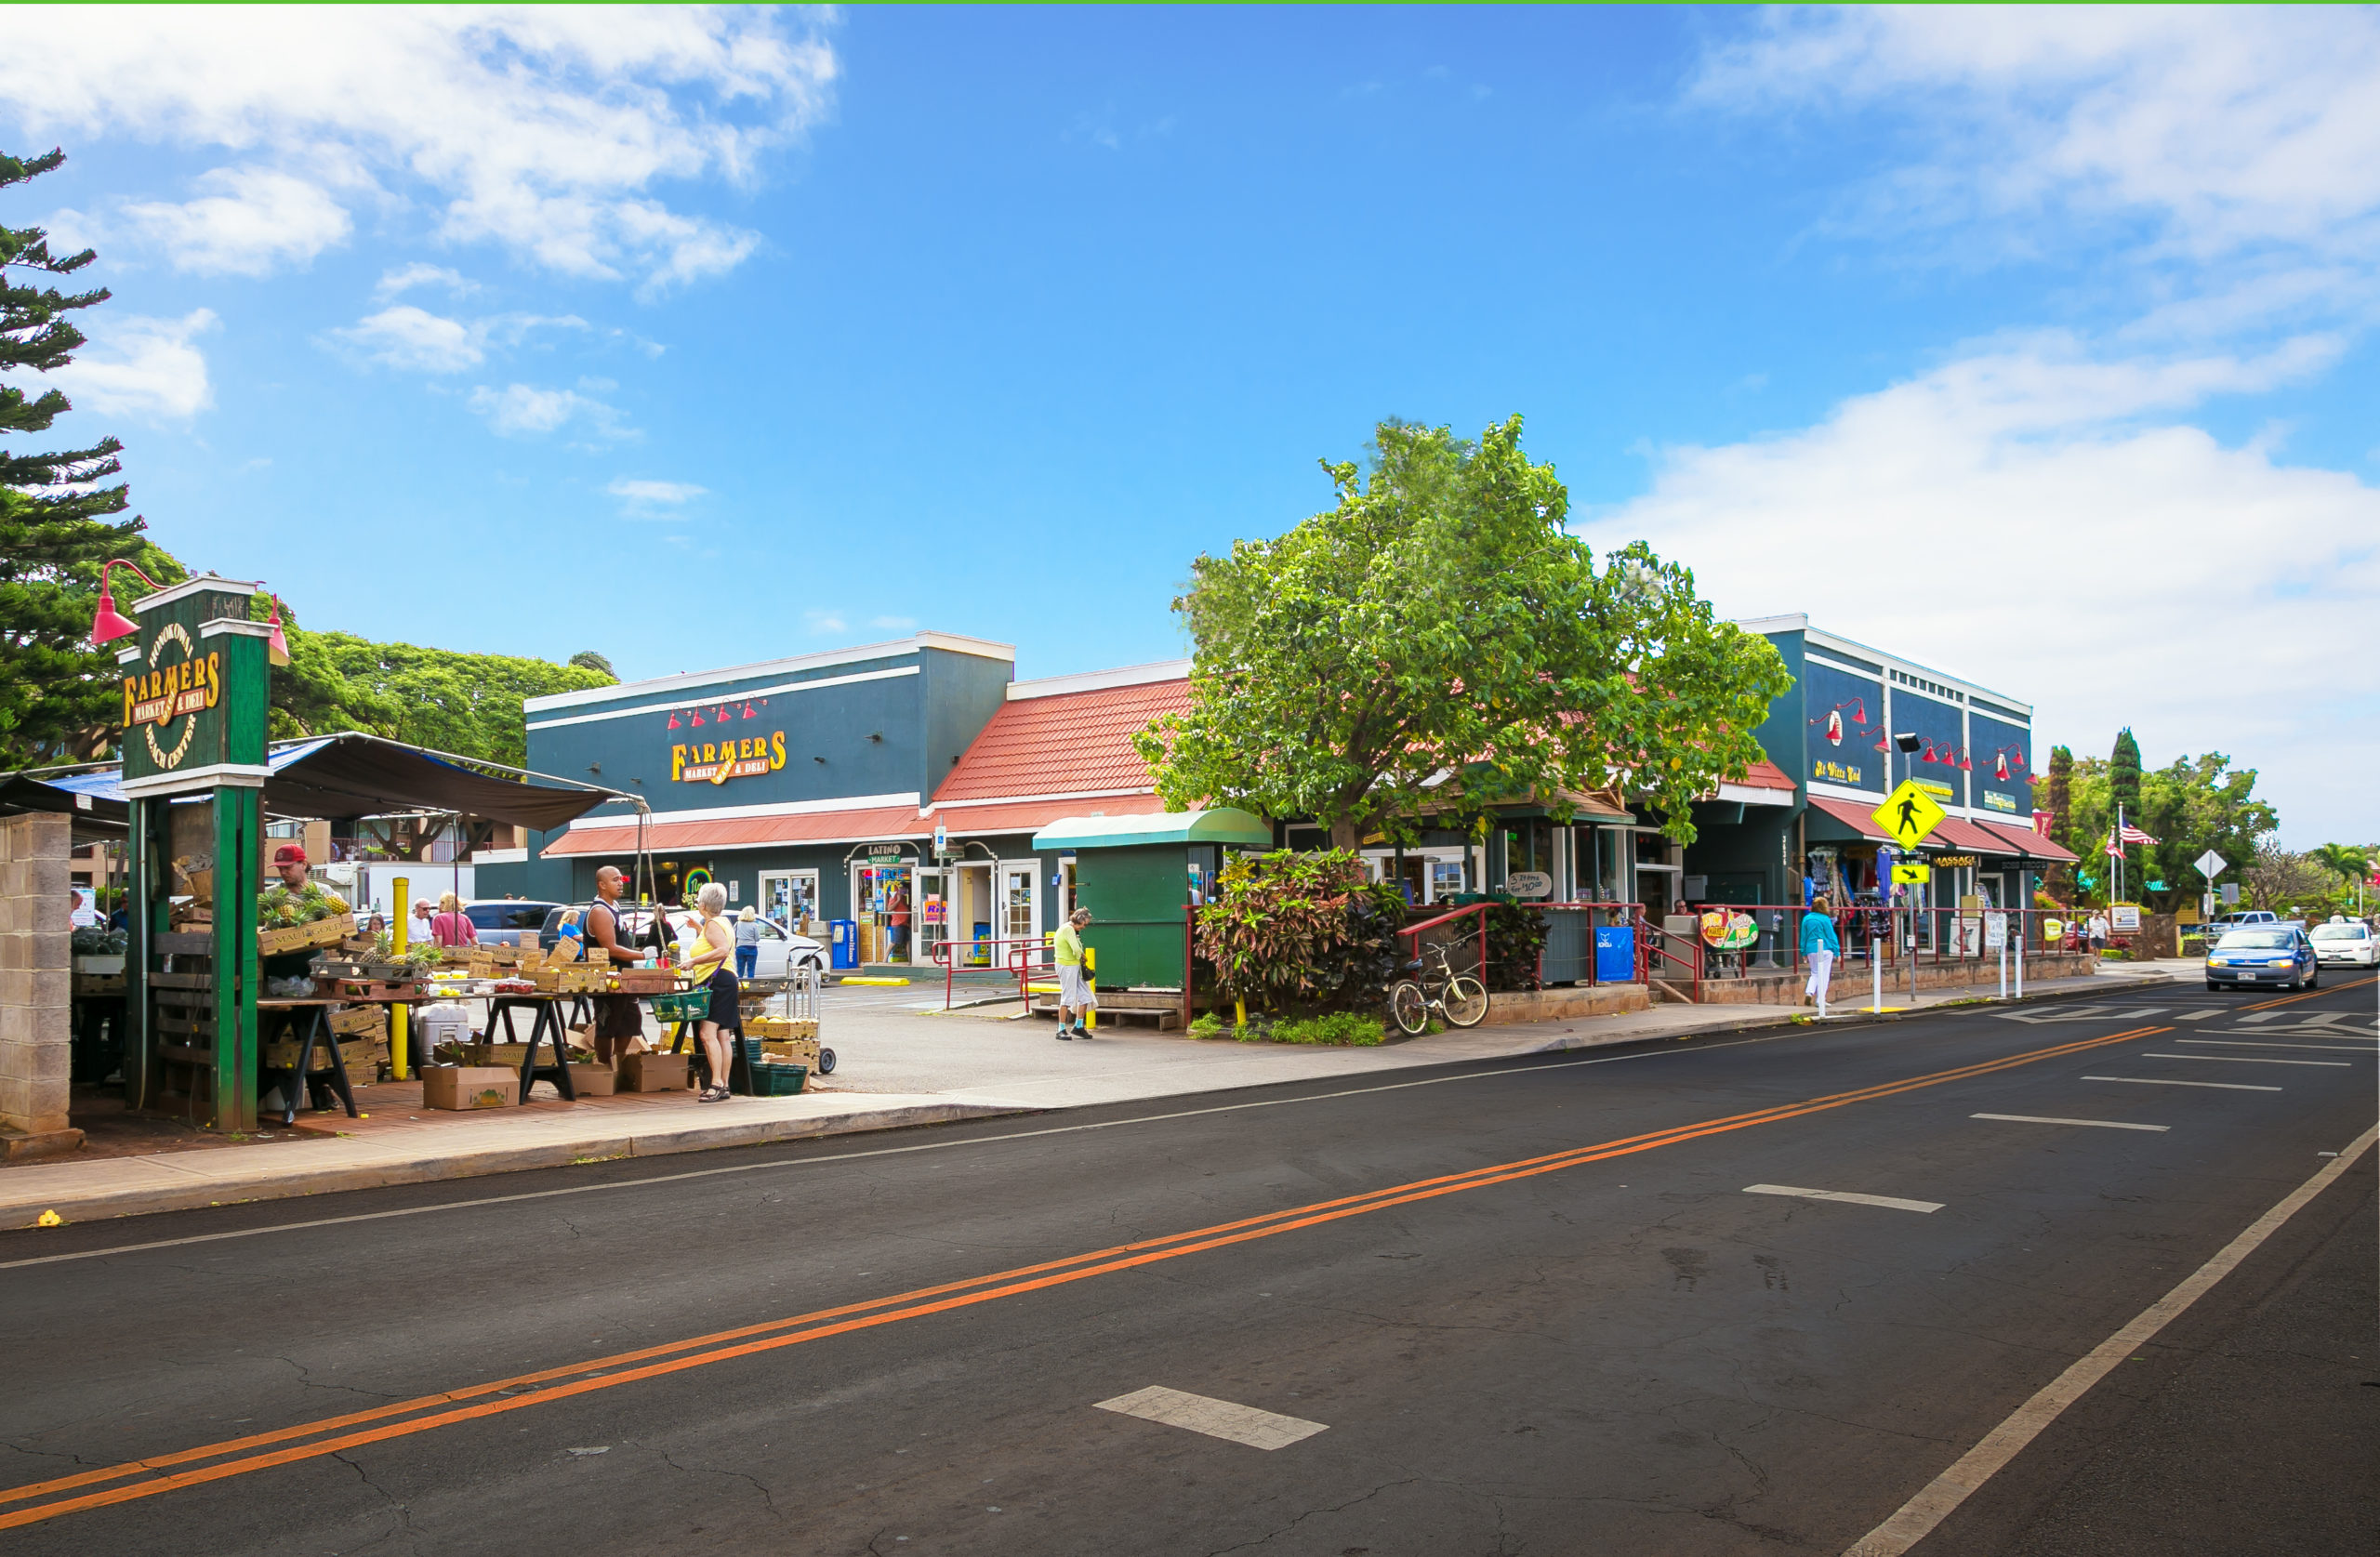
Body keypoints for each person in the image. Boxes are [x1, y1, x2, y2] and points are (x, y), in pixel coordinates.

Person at [582, 865, 648, 1067]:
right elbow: (610, 948)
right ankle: (604, 1067)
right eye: (615, 880)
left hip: (624, 978)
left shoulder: (615, 908)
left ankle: (618, 1063)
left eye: (621, 879)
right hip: (607, 980)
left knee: (630, 1023)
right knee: (607, 1025)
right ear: (602, 885)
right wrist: (643, 954)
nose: (621, 883)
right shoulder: (600, 911)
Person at [686, 880, 741, 1102]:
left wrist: (693, 961)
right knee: (723, 1036)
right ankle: (725, 1084)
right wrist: (698, 928)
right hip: (727, 979)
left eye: (698, 900)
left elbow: (721, 950)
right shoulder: (722, 922)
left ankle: (716, 1083)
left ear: (703, 905)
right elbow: (717, 943)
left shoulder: (712, 925)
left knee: (706, 1034)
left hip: (716, 981)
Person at [1052, 907, 1096, 1040]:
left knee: (1086, 996)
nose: (1085, 927)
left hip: (1073, 965)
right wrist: (1083, 956)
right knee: (1067, 997)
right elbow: (1076, 949)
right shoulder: (1068, 929)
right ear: (1080, 920)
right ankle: (1061, 1029)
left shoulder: (1069, 929)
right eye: (1085, 924)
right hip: (1066, 966)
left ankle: (1078, 1026)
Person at [1800, 896, 1840, 1017]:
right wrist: (1837, 952)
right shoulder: (1825, 919)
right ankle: (1820, 1000)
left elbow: (1803, 936)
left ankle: (1809, 992)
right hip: (1825, 949)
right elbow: (1831, 936)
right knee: (1824, 975)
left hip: (1811, 949)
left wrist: (1803, 952)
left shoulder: (1806, 919)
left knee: (1815, 973)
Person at [734, 905, 761, 980]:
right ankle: (750, 986)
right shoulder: (755, 925)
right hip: (751, 949)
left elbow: (733, 935)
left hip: (740, 948)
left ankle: (738, 986)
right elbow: (757, 938)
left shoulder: (737, 924)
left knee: (740, 969)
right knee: (751, 970)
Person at [887, 884, 911, 962]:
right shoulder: (894, 897)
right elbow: (889, 908)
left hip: (905, 924)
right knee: (894, 942)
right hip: (898, 924)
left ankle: (910, 960)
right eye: (901, 888)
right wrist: (897, 900)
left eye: (903, 888)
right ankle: (884, 959)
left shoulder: (903, 898)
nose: (903, 890)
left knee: (908, 941)